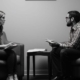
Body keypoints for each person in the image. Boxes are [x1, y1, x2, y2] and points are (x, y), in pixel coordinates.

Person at [46, 10, 80, 80]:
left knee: (64, 52)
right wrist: (56, 44)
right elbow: (70, 42)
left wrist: (58, 44)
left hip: (78, 50)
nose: (65, 19)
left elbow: (73, 45)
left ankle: (66, 76)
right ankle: (59, 75)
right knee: (54, 51)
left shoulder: (79, 28)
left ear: (72, 19)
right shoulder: (73, 28)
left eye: (66, 17)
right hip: (74, 49)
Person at [0, 11, 18, 80]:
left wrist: (10, 44)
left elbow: (4, 42)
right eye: (3, 18)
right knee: (12, 53)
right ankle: (12, 75)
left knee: (12, 53)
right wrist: (5, 46)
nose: (5, 19)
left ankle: (13, 75)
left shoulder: (2, 31)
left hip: (1, 51)